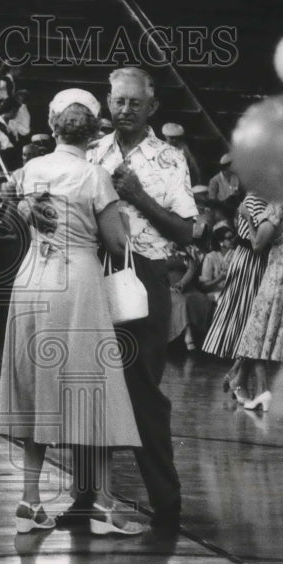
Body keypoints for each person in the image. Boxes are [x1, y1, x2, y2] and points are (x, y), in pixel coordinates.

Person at [0, 89, 145, 536]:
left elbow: (14, 215)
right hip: (76, 280)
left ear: (53, 125)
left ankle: (30, 500)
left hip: (31, 280)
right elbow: (117, 244)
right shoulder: (95, 176)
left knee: (34, 386)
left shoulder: (30, 170)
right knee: (88, 388)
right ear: (95, 129)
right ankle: (101, 507)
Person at [81, 67, 197, 533]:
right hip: (91, 271)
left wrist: (138, 195)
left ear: (152, 108)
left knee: (141, 391)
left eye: (134, 103)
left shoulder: (171, 159)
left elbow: (186, 230)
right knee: (87, 387)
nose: (124, 110)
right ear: (107, 103)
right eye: (117, 101)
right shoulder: (90, 153)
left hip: (144, 275)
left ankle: (166, 503)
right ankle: (85, 499)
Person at [232, 203, 283, 410]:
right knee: (266, 334)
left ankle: (261, 389)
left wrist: (248, 218)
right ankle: (245, 382)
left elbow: (257, 245)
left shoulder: (278, 208)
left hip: (278, 278)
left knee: (259, 332)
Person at [201, 190, 273, 396]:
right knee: (249, 321)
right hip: (250, 263)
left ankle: (238, 376)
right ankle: (243, 379)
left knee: (251, 322)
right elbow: (256, 242)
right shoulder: (255, 200)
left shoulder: (259, 200)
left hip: (252, 263)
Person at [198, 223, 235, 302]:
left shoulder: (236, 254)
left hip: (233, 293)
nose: (232, 240)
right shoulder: (210, 257)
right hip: (215, 294)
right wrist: (218, 279)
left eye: (232, 237)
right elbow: (204, 286)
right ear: (220, 241)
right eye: (229, 238)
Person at [207, 153, 242, 219]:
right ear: (228, 167)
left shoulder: (236, 178)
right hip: (222, 213)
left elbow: (240, 194)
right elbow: (212, 201)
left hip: (236, 211)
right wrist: (225, 203)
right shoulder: (214, 181)